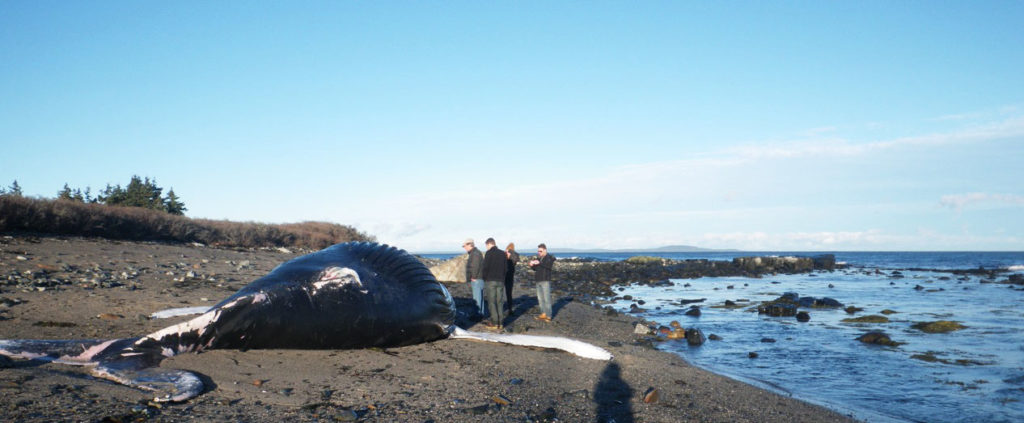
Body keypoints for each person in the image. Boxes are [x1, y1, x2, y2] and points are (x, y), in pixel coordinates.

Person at [481, 237, 508, 330]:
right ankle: (501, 323)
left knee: (492, 302)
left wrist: (484, 278)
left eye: (486, 246)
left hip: (491, 280)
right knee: (499, 302)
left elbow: (485, 268)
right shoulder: (502, 254)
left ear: (489, 244)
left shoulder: (488, 253)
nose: (486, 248)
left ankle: (495, 323)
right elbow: (505, 268)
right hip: (500, 280)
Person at [529, 243, 555, 322]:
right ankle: (543, 313)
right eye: (538, 251)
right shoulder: (539, 258)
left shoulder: (549, 258)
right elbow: (536, 268)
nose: (539, 253)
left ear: (545, 250)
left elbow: (548, 266)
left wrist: (539, 263)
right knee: (540, 299)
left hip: (545, 280)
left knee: (547, 298)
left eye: (540, 251)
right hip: (538, 280)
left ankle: (549, 315)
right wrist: (532, 265)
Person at [463, 238, 485, 318]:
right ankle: (480, 315)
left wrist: (473, 277)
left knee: (477, 298)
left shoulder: (475, 254)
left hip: (477, 279)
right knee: (479, 298)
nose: (464, 248)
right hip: (478, 279)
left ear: (470, 245)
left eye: (465, 246)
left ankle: (478, 316)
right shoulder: (475, 253)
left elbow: (475, 266)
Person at [504, 242, 520, 314]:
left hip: (504, 274)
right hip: (511, 274)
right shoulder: (515, 254)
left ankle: (500, 307)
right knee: (509, 292)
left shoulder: (506, 252)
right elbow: (515, 261)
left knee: (500, 291)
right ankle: (510, 308)